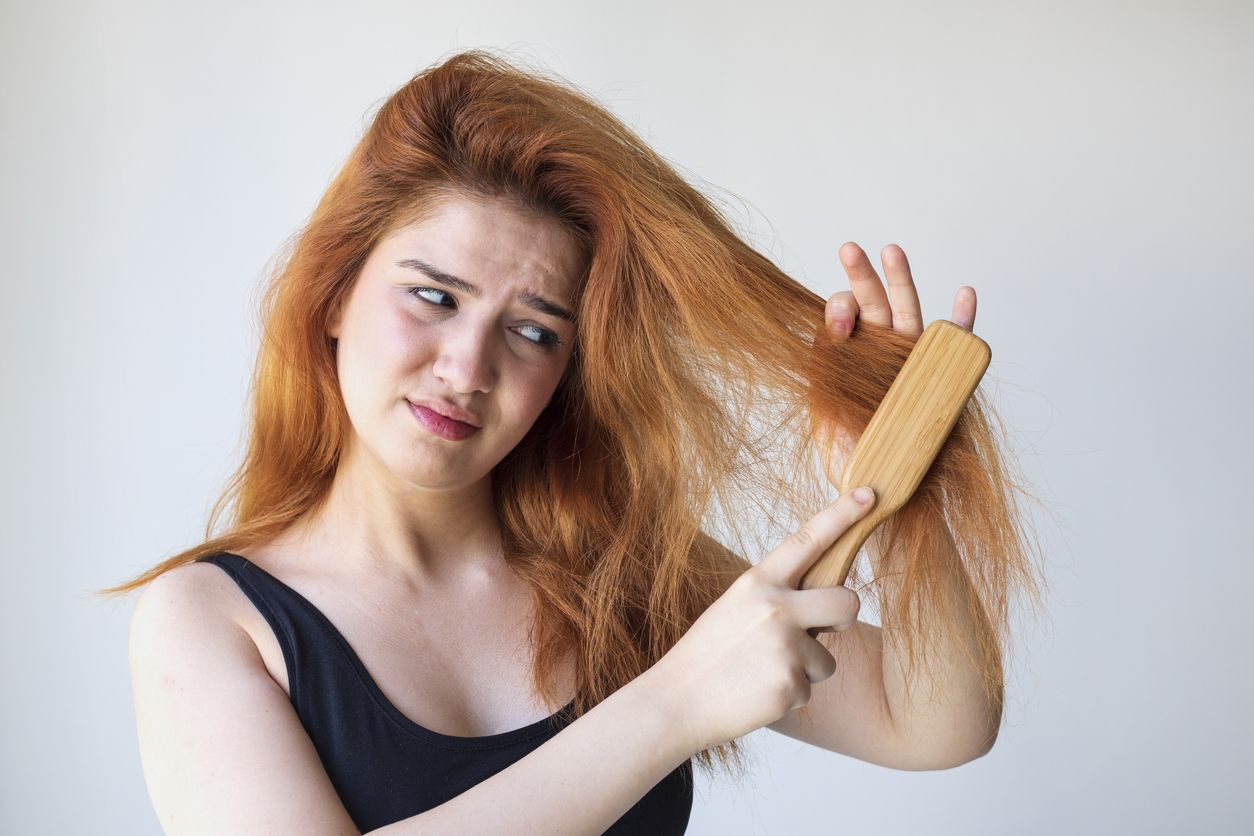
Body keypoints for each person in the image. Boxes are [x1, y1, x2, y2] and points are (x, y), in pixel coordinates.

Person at [102, 48, 1044, 835]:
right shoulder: (209, 622)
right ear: (336, 295)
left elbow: (938, 723)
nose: (468, 367)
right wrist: (674, 704)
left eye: (535, 330)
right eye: (434, 297)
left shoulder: (624, 570)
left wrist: (900, 486)